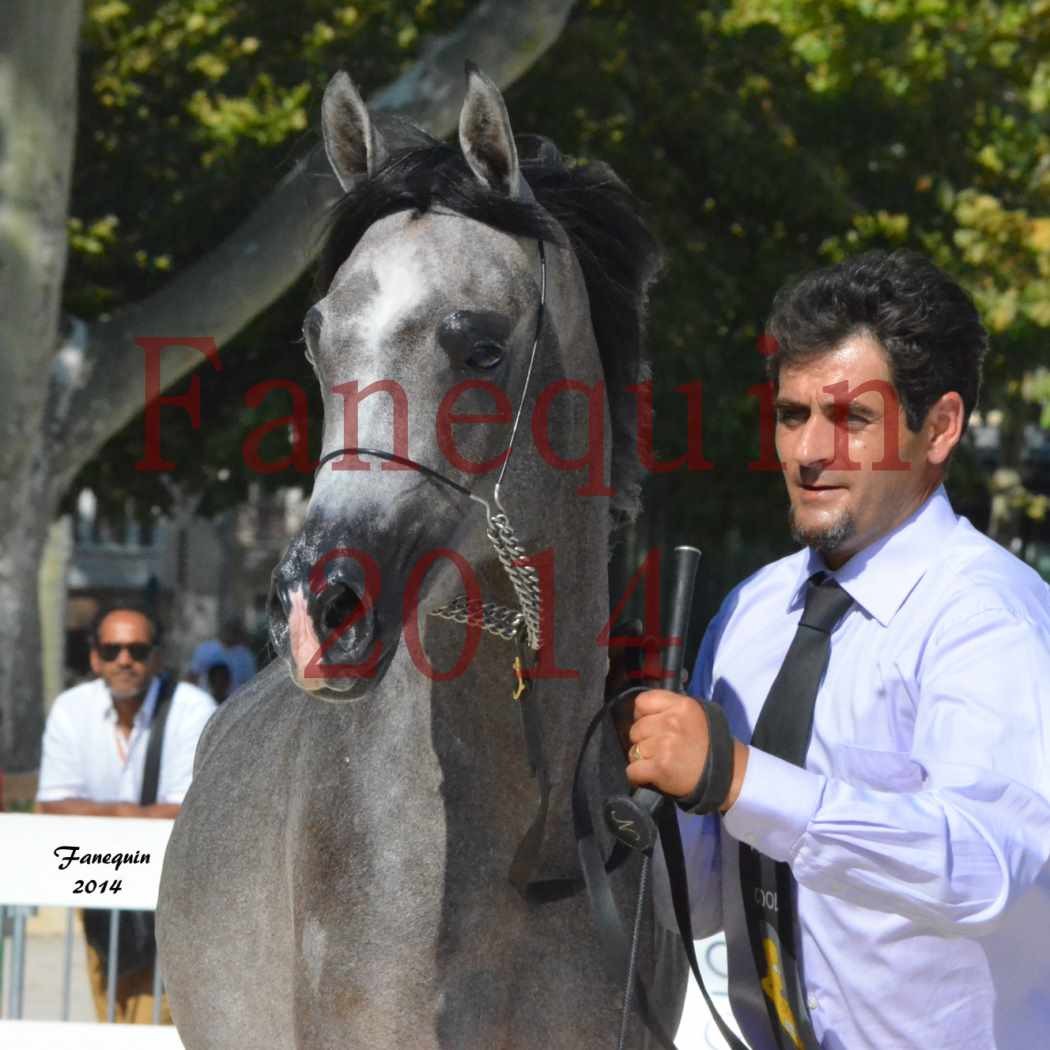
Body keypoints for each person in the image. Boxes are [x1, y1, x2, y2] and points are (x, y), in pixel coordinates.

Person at [630, 250, 1050, 1050]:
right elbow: (714, 895)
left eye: (852, 419)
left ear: (942, 428)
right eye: (792, 415)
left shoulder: (989, 617)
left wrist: (740, 777)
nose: (807, 452)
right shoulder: (751, 609)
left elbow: (983, 868)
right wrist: (641, 772)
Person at [36, 603, 216, 1024]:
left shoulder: (192, 708)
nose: (124, 660)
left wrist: (99, 816)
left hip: (173, 893)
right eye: (112, 649)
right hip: (99, 890)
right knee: (110, 1009)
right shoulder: (71, 709)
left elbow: (186, 812)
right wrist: (133, 813)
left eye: (136, 649)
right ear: (95, 656)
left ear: (156, 656)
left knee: (161, 1017)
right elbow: (51, 805)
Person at [187, 617, 256, 691]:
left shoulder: (245, 656)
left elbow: (251, 683)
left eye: (235, 630)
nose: (231, 633)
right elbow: (193, 676)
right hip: (207, 699)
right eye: (229, 629)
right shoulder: (205, 649)